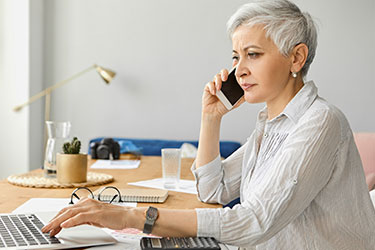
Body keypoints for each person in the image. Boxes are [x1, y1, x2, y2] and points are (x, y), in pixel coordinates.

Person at [42, 0, 375, 249]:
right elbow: (213, 191)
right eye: (235, 56)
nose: (238, 70)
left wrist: (131, 217)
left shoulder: (320, 122)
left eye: (253, 54)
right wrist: (210, 118)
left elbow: (254, 222)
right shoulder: (270, 126)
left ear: (297, 58)